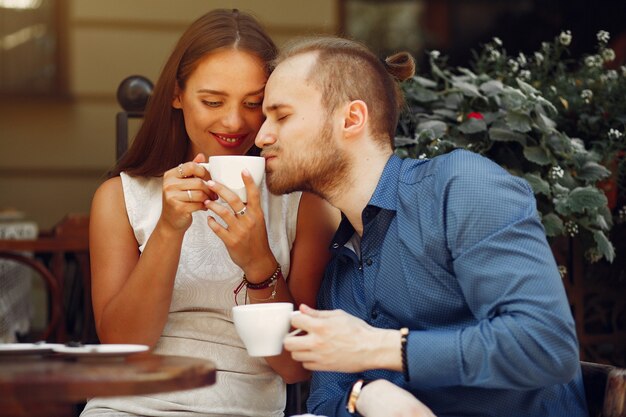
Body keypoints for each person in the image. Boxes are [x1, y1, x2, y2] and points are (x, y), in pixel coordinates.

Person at [255, 37, 588, 417]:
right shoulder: (341, 270)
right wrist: (365, 397)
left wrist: (378, 348)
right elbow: (326, 402)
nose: (261, 136)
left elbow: (545, 346)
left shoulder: (459, 188)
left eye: (281, 116)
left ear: (351, 119)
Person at [82, 10, 338, 417]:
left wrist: (258, 262)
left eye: (254, 103)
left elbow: (294, 368)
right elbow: (122, 348)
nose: (235, 122)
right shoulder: (119, 198)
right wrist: (168, 230)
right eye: (212, 101)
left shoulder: (306, 206)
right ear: (177, 94)